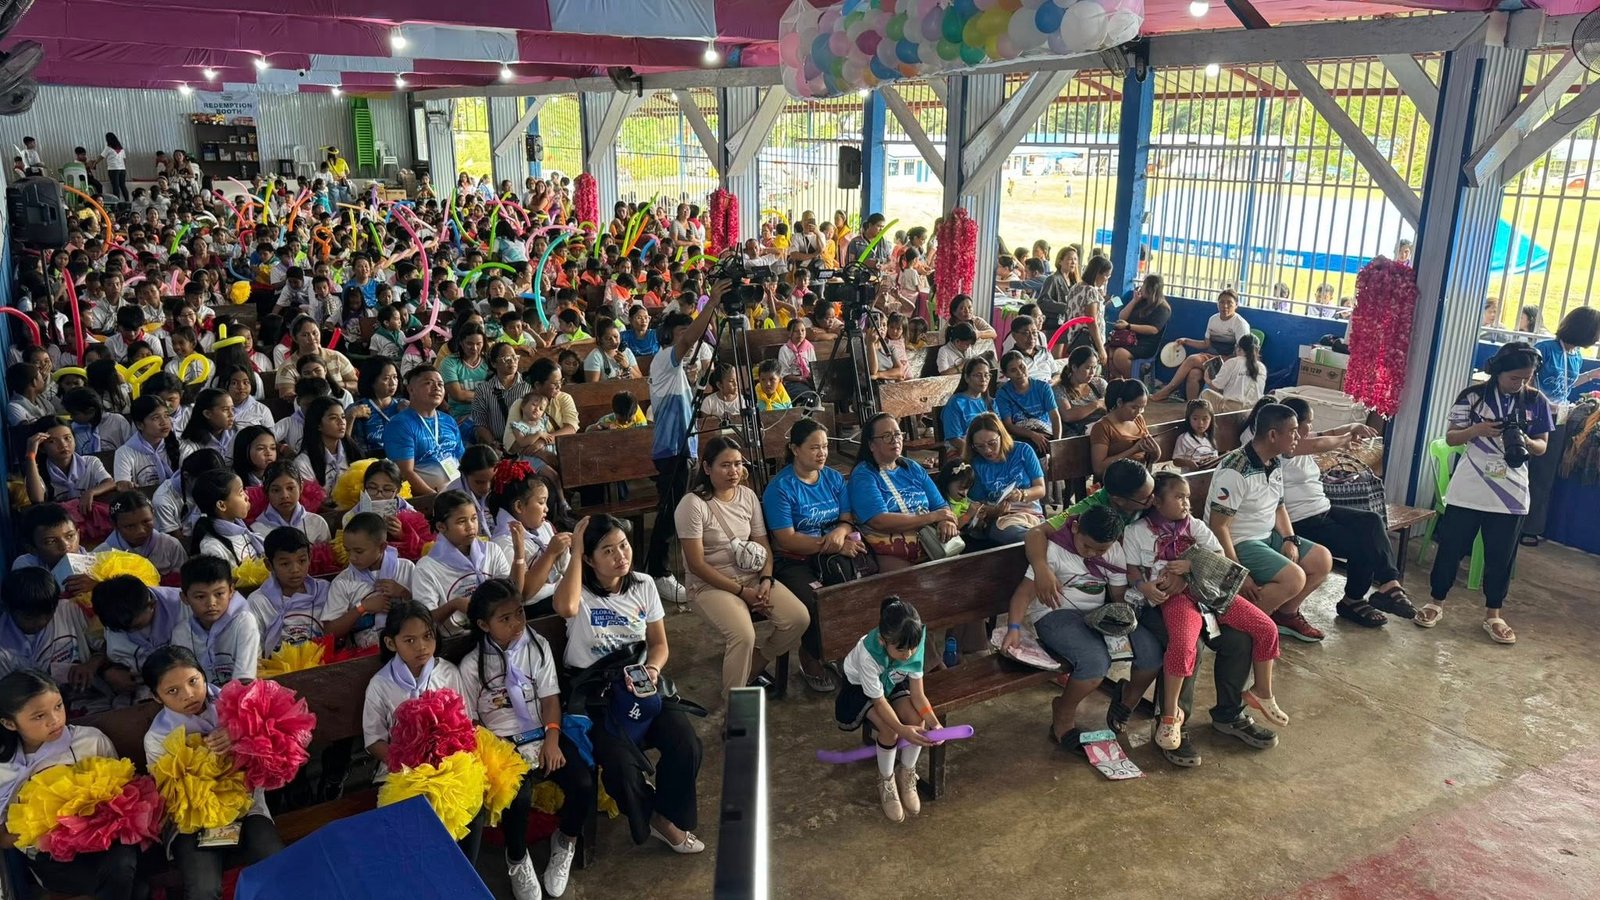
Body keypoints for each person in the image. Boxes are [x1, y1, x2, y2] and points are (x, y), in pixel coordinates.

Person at [553, 515, 705, 854]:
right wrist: (575, 552)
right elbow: (565, 606)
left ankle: (664, 812)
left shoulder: (643, 585)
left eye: (623, 545)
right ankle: (658, 822)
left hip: (639, 689)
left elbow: (660, 644)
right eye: (607, 551)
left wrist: (652, 668)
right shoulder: (579, 594)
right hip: (597, 701)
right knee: (621, 769)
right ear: (589, 560)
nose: (621, 555)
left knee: (687, 744)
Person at [1125, 472, 1288, 750]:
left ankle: (1250, 700)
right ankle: (1172, 717)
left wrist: (1190, 566)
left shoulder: (1195, 526)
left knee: (1259, 630)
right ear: (1156, 501)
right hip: (1169, 600)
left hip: (1208, 593)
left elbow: (1218, 556)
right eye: (1178, 497)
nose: (1186, 503)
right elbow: (1132, 571)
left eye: (1187, 497)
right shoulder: (1137, 532)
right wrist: (1145, 586)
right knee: (1187, 644)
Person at [459, 579, 591, 899]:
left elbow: (549, 700)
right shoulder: (470, 665)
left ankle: (566, 840)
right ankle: (517, 857)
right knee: (517, 797)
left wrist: (552, 739)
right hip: (501, 743)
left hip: (542, 732)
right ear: (483, 624)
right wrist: (499, 752)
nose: (517, 623)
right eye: (505, 619)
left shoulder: (537, 646)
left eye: (519, 613)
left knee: (583, 782)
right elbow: (472, 720)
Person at [1418, 343, 1552, 644]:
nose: (1521, 384)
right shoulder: (1473, 397)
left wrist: (1524, 440)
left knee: (1501, 557)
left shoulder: (1535, 401)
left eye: (1527, 378)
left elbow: (1543, 446)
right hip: (1469, 488)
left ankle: (1494, 614)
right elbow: (1452, 437)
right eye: (1515, 378)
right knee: (1451, 548)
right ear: (1498, 372)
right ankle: (1435, 602)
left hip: (1512, 492)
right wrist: (1476, 431)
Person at [1002, 505, 1160, 754]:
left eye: (1101, 550)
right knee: (1095, 663)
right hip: (1055, 616)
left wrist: (1121, 620)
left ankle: (1127, 701)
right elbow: (1022, 595)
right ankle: (1063, 714)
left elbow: (1118, 597)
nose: (1093, 554)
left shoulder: (1113, 552)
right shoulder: (1053, 551)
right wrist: (1013, 628)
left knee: (1151, 653)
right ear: (1075, 528)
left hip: (1097, 615)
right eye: (1088, 546)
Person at [140, 646, 283, 900]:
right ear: (156, 697)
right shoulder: (157, 737)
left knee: (273, 861)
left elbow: (275, 744)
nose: (188, 695)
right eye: (172, 691)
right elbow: (171, 795)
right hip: (193, 821)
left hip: (246, 807)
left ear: (204, 676)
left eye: (193, 681)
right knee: (203, 888)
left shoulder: (238, 703)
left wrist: (240, 733)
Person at [676, 436, 808, 698]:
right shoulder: (692, 505)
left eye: (737, 464)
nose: (733, 471)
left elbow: (763, 546)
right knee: (743, 635)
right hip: (710, 586)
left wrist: (766, 580)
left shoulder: (747, 496)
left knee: (798, 618)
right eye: (725, 465)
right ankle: (733, 706)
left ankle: (759, 661)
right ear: (706, 468)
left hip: (752, 579)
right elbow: (696, 564)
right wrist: (741, 592)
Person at [0, 671, 141, 900]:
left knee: (122, 864)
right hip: (52, 857)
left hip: (105, 842)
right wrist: (41, 820)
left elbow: (127, 795)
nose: (54, 720)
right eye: (38, 716)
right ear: (9, 723)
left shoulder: (90, 740)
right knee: (131, 883)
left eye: (58, 706)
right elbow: (3, 839)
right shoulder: (5, 769)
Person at [1206, 403, 1334, 642]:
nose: (1298, 437)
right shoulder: (1236, 469)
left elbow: (1280, 507)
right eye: (1293, 431)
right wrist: (1238, 573)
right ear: (1273, 435)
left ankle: (1284, 614)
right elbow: (1219, 527)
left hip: (1266, 536)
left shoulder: (1274, 461)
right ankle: (1237, 628)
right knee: (1294, 578)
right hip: (1240, 541)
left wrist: (1288, 538)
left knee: (1322, 559)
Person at [763, 420, 864, 694]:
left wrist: (841, 534)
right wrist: (830, 545)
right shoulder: (781, 487)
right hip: (793, 560)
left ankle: (845, 651)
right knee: (813, 602)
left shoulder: (832, 478)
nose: (822, 453)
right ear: (795, 449)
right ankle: (811, 656)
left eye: (825, 446)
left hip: (828, 554)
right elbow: (786, 538)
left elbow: (846, 519)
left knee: (854, 590)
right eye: (814, 447)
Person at [644, 282, 723, 606]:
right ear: (669, 338)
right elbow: (692, 336)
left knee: (675, 511)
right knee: (668, 514)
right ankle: (659, 572)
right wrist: (713, 301)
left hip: (683, 448)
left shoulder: (678, 371)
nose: (687, 342)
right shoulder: (663, 360)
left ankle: (667, 569)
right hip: (670, 450)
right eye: (682, 335)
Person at [834, 597, 939, 823]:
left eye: (913, 647)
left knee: (916, 720)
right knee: (889, 730)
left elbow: (918, 696)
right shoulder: (868, 653)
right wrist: (902, 730)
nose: (909, 654)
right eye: (902, 649)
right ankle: (886, 778)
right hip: (860, 688)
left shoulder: (912, 641)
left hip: (890, 680)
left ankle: (906, 771)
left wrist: (934, 722)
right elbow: (880, 702)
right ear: (883, 641)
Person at [1524, 307, 1600, 546]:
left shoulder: (1575, 355)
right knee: (1523, 470)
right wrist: (1547, 405)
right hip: (1535, 418)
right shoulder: (1545, 350)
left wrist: (1590, 376)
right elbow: (1528, 383)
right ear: (1584, 330)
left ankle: (1530, 528)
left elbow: (1565, 384)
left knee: (1543, 477)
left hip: (1559, 422)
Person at [412, 490, 522, 632]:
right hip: (457, 641)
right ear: (441, 527)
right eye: (461, 521)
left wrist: (519, 554)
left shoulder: (491, 550)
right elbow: (425, 622)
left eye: (474, 518)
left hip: (498, 633)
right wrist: (454, 605)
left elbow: (514, 595)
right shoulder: (426, 568)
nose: (471, 526)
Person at [321, 512, 415, 650]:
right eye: (348, 550)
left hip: (407, 646)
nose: (352, 558)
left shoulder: (406, 568)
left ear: (382, 547)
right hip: (362, 654)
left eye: (359, 551)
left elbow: (427, 613)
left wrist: (404, 593)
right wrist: (361, 608)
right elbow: (330, 631)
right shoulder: (342, 581)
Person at [167, 555, 260, 685]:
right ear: (185, 598)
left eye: (219, 594)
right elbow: (186, 681)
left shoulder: (243, 622)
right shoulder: (181, 633)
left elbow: (244, 678)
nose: (211, 603)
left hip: (241, 696)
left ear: (231, 590)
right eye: (200, 597)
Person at [1152, 289, 1252, 403]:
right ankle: (1193, 406)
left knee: (1192, 359)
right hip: (1212, 359)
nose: (1225, 306)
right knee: (1193, 374)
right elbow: (1206, 344)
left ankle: (1168, 390)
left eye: (1229, 303)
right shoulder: (1213, 319)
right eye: (1222, 302)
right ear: (1217, 304)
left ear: (1236, 305)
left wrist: (1224, 361)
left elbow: (1242, 354)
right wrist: (1186, 341)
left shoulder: (1240, 324)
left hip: (1230, 363)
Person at [962, 412, 1047, 545]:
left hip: (1031, 515)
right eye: (980, 446)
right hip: (1000, 520)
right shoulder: (976, 464)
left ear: (1001, 436)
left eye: (992, 443)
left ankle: (1039, 538)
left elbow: (1041, 489)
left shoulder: (1023, 450)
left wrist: (1022, 494)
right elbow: (978, 506)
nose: (987, 451)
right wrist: (994, 511)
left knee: (1062, 523)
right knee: (1017, 536)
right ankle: (1040, 539)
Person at [385, 365, 465, 495]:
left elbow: (462, 460)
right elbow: (405, 473)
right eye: (428, 383)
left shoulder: (448, 420)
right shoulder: (400, 425)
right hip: (427, 500)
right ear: (411, 389)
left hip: (460, 494)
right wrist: (435, 498)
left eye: (440, 384)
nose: (437, 388)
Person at [95, 489, 187, 576]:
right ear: (115, 525)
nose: (141, 531)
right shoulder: (102, 555)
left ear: (153, 515)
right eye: (130, 526)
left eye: (146, 521)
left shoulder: (170, 546)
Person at [993, 349, 1060, 455]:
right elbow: (1008, 425)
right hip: (1022, 436)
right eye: (1013, 370)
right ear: (1006, 374)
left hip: (1046, 433)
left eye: (1022, 367)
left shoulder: (1043, 387)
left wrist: (1057, 444)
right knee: (1028, 450)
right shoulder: (1003, 394)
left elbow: (1055, 417)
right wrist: (1032, 435)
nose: (1020, 372)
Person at [1089, 379, 1160, 479]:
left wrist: (1155, 451)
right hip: (1118, 483)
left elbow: (1150, 458)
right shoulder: (1102, 427)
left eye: (1142, 408)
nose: (1138, 412)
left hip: (1140, 477)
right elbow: (1099, 469)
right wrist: (1134, 450)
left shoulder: (1138, 419)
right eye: (1134, 407)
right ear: (1120, 402)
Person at [190, 470, 264, 565]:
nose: (247, 497)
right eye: (241, 492)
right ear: (221, 505)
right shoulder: (212, 548)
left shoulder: (242, 528)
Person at [1107, 274, 1172, 379]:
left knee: (1120, 355)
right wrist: (1134, 301)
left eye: (1144, 285)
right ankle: (1119, 381)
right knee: (1108, 353)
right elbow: (1122, 316)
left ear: (1151, 289)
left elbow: (1153, 330)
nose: (1141, 287)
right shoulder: (1141, 301)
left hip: (1144, 344)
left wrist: (1128, 326)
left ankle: (1132, 382)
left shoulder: (1163, 308)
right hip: (1127, 339)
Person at [254, 460, 332, 543]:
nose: (284, 495)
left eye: (290, 488)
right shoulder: (256, 531)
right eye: (276, 490)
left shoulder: (318, 523)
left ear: (301, 487)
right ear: (266, 492)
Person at [113, 394, 180, 488]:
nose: (164, 422)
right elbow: (123, 484)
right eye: (155, 418)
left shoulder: (180, 445)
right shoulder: (124, 452)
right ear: (140, 425)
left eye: (166, 415)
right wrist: (126, 485)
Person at [940, 357, 993, 458]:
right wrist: (979, 451)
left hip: (989, 448)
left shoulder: (990, 402)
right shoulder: (956, 403)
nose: (983, 379)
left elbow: (999, 430)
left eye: (986, 375)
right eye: (978, 375)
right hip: (964, 449)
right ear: (967, 378)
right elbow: (954, 439)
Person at [1199, 332, 1266, 411]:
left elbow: (1216, 387)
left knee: (1206, 393)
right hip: (1254, 411)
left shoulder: (1232, 362)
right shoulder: (1262, 367)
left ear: (1238, 348)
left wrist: (1207, 380)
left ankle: (1210, 422)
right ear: (1257, 350)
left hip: (1232, 410)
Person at [440, 323, 490, 422]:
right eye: (469, 344)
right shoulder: (450, 362)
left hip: (489, 414)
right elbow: (458, 395)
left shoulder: (489, 362)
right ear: (461, 343)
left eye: (478, 343)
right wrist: (489, 396)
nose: (474, 348)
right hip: (461, 416)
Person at [1054, 345, 1107, 437]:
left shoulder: (1099, 383)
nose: (1092, 372)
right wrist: (1097, 404)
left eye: (1094, 367)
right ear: (1074, 367)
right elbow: (1067, 416)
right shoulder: (1059, 389)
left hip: (1104, 428)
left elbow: (1113, 404)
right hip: (1080, 434)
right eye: (1088, 368)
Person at [1172, 399, 1220, 471]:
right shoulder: (1184, 438)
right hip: (1191, 477)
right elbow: (1176, 461)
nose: (1200, 423)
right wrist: (1188, 463)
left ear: (1211, 419)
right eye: (1195, 419)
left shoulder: (1211, 437)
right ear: (1189, 419)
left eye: (1204, 419)